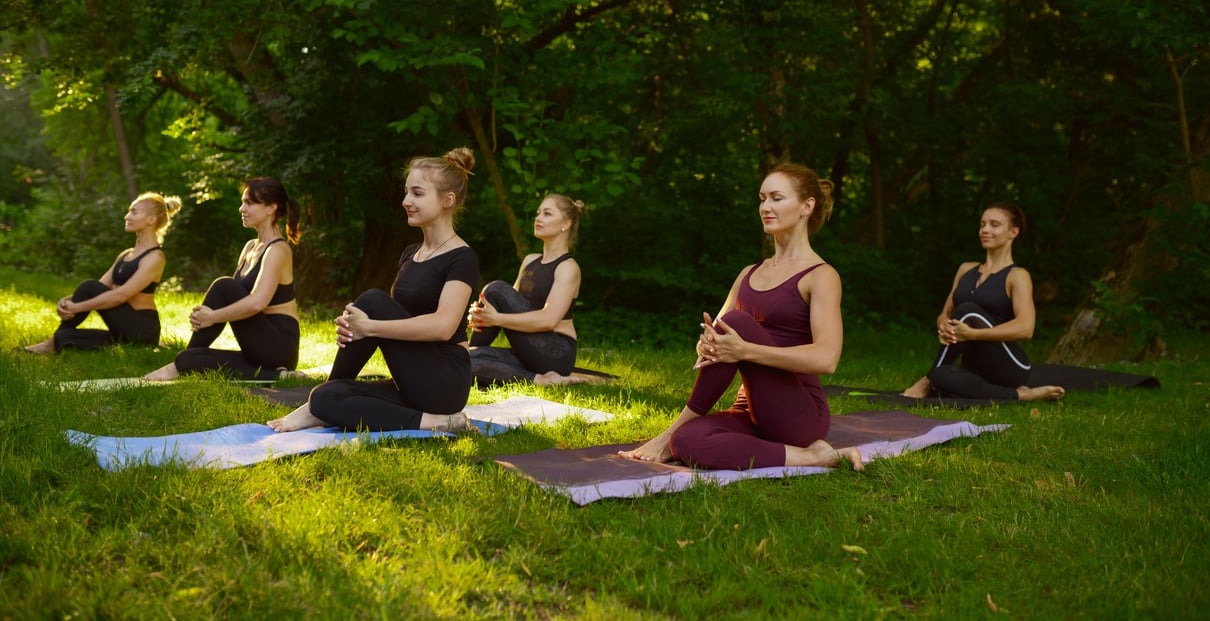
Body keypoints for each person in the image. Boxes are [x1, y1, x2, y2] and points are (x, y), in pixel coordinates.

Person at [620, 163, 863, 471]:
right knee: (687, 442)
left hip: (798, 414)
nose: (765, 207)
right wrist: (706, 345)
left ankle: (666, 433)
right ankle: (813, 457)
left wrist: (745, 350)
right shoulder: (748, 274)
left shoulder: (821, 276)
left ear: (807, 206)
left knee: (736, 324)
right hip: (749, 410)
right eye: (762, 198)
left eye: (776, 198)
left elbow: (826, 359)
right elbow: (718, 336)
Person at [268, 148, 480, 433]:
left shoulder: (461, 257)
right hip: (411, 379)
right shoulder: (409, 254)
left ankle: (439, 419)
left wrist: (370, 327)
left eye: (417, 193)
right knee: (326, 397)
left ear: (447, 200)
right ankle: (318, 405)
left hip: (444, 382)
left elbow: (443, 326)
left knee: (372, 301)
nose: (406, 201)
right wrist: (357, 328)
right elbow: (398, 320)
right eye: (406, 193)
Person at [902, 203, 1065, 402]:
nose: (985, 230)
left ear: (1013, 232)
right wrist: (943, 325)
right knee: (942, 376)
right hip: (975, 367)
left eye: (994, 225)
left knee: (967, 311)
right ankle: (1022, 395)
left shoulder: (1017, 276)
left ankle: (926, 381)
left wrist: (974, 334)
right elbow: (945, 314)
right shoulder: (965, 269)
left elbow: (1026, 328)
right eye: (982, 224)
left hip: (1008, 365)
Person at [143, 177, 300, 381]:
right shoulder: (250, 247)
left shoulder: (278, 250)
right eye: (243, 202)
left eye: (249, 203)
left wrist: (212, 317)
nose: (241, 209)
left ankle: (176, 366)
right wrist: (207, 316)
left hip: (278, 346)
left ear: (270, 208)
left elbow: (256, 303)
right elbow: (231, 299)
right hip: (256, 346)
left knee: (224, 285)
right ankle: (281, 376)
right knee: (190, 360)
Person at [24, 193, 181, 354]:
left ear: (151, 219)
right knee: (65, 336)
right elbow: (99, 289)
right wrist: (67, 302)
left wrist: (76, 307)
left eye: (134, 212)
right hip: (121, 329)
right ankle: (57, 341)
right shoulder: (126, 254)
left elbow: (119, 296)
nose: (127, 216)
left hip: (141, 330)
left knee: (88, 285)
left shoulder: (155, 257)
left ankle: (48, 345)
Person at [467, 194, 595, 386]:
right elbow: (508, 307)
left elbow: (548, 320)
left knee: (496, 289)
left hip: (555, 352)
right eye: (538, 213)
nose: (538, 218)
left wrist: (496, 318)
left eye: (547, 214)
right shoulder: (529, 261)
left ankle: (545, 376)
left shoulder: (568, 267)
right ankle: (540, 380)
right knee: (464, 359)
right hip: (527, 351)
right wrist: (481, 316)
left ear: (566, 223)